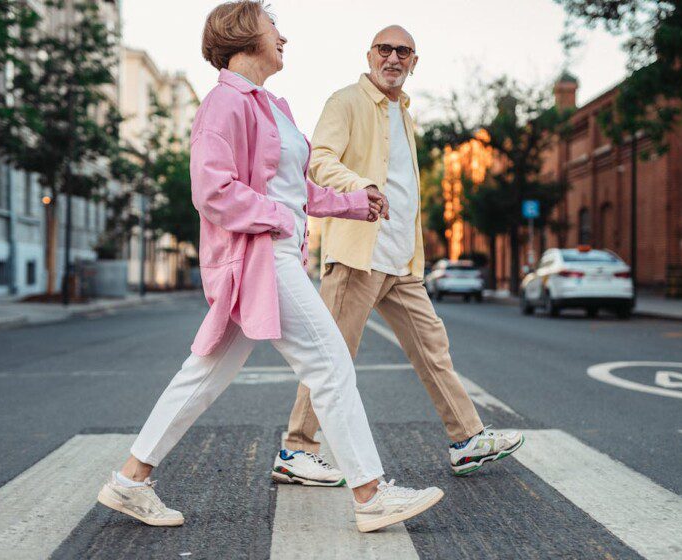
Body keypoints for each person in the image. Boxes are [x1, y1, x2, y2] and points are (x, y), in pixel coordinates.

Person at [96, 1, 443, 533]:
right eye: (274, 25)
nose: (285, 37)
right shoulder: (223, 103)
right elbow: (212, 190)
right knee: (330, 365)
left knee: (205, 374)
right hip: (260, 256)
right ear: (244, 34)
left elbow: (293, 188)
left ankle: (129, 480)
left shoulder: (270, 106)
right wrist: (278, 217)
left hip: (272, 251)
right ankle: (371, 495)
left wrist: (353, 202)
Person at [273, 25, 523, 486]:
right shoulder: (345, 101)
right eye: (385, 49)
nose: (393, 58)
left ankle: (467, 439)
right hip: (358, 256)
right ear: (369, 55)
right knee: (332, 356)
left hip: (401, 260)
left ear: (414, 61)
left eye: (403, 51)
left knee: (433, 348)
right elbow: (319, 159)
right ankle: (296, 450)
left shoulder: (404, 113)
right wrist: (358, 185)